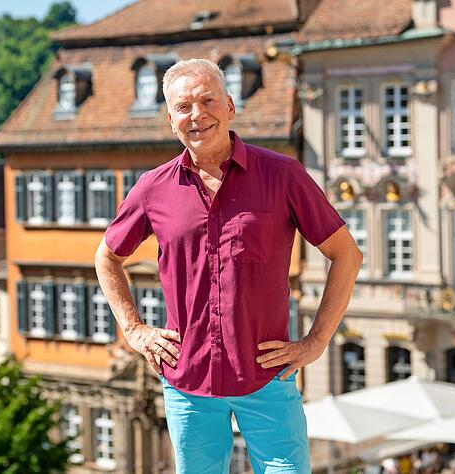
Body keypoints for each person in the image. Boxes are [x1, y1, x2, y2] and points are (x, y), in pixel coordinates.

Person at [95, 58, 362, 473]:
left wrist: (315, 342)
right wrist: (135, 330)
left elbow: (347, 254)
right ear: (171, 121)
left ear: (231, 106)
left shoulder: (283, 175)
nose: (197, 115)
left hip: (268, 376)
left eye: (208, 101)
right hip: (187, 380)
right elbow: (107, 256)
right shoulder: (153, 188)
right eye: (184, 107)